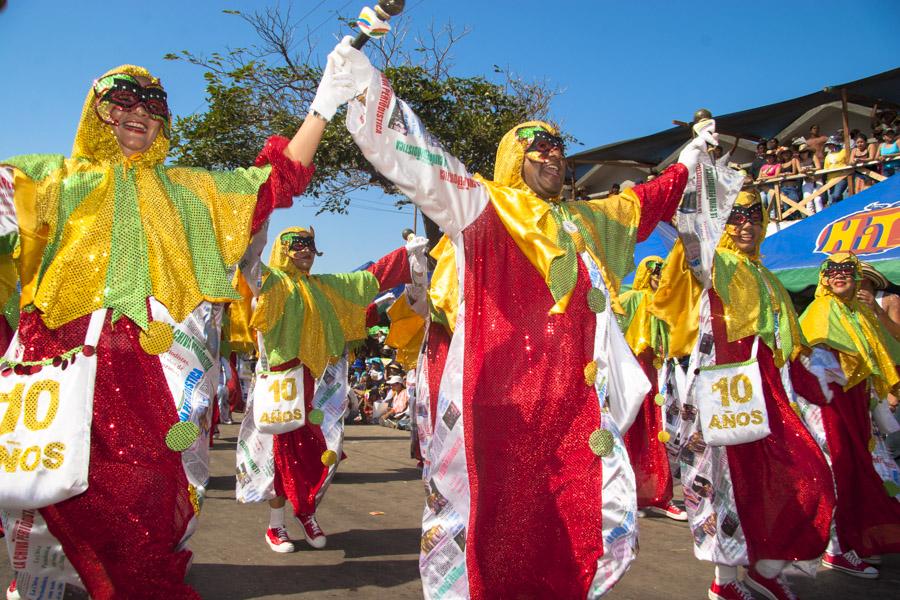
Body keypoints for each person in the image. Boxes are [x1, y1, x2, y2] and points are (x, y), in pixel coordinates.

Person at [329, 36, 706, 598]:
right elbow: (419, 160)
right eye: (538, 150)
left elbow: (647, 201)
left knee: (570, 522)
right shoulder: (484, 208)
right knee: (500, 527)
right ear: (513, 160)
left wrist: (692, 158)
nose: (553, 157)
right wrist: (361, 81)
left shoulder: (585, 221)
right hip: (504, 403)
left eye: (558, 149)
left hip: (576, 406)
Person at [0, 60, 351, 599]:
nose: (138, 112)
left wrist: (325, 105)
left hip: (146, 381)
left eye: (153, 105)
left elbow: (273, 183)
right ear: (96, 112)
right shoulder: (47, 177)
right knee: (44, 512)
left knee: (146, 508)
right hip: (56, 369)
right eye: (122, 101)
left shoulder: (189, 192)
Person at [651, 189, 836, 600]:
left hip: (769, 398)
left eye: (754, 214)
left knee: (804, 475)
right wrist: (695, 173)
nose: (746, 223)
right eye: (736, 215)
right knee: (723, 483)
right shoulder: (714, 264)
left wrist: (814, 378)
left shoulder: (768, 278)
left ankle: (765, 566)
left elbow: (789, 344)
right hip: (723, 395)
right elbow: (685, 235)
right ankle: (725, 577)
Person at [237, 226, 425, 553]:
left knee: (324, 454)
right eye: (297, 245)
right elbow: (248, 260)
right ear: (283, 251)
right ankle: (277, 525)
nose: (306, 250)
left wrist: (407, 255)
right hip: (280, 389)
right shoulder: (270, 283)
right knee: (279, 456)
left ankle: (306, 512)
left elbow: (370, 279)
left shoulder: (327, 287)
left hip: (318, 389)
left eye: (310, 244)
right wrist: (258, 220)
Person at [797, 252, 900, 577]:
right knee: (837, 468)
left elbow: (885, 353)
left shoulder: (858, 313)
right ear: (824, 278)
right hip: (827, 406)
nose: (839, 275)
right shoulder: (821, 311)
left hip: (855, 405)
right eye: (832, 270)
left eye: (847, 270)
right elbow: (809, 363)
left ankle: (851, 541)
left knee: (856, 469)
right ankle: (836, 548)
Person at [618, 256, 686, 521]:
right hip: (637, 375)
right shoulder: (633, 298)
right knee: (631, 433)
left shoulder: (668, 303)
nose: (661, 276)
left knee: (662, 433)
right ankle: (629, 496)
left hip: (663, 377)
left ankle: (658, 495)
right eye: (657, 271)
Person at [824, 136, 849, 204]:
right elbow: (826, 168)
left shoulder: (844, 151)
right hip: (830, 179)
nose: (830, 146)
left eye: (831, 144)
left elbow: (848, 163)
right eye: (829, 145)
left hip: (841, 177)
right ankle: (838, 212)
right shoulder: (828, 155)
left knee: (836, 195)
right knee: (832, 197)